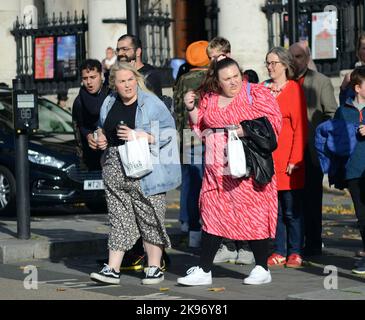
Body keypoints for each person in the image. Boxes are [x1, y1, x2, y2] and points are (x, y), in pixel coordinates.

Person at [177, 57, 282, 286]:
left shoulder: (255, 93)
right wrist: (191, 108)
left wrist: (244, 130)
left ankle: (262, 267)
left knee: (252, 213)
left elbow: (274, 124)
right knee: (212, 214)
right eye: (227, 79)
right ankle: (204, 270)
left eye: (236, 76)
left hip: (245, 167)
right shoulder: (211, 98)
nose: (233, 82)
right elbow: (200, 127)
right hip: (216, 169)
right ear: (218, 81)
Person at [89, 61, 180, 285]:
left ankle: (154, 267)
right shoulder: (109, 102)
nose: (128, 85)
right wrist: (98, 137)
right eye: (122, 81)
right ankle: (112, 269)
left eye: (131, 80)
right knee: (119, 218)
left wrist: (141, 135)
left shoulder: (151, 103)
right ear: (114, 85)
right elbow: (102, 127)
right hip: (114, 168)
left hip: (145, 170)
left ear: (137, 80)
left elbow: (170, 134)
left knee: (150, 216)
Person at [204, 37, 255, 265]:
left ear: (228, 54)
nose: (214, 62)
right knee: (222, 198)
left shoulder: (241, 81)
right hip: (216, 148)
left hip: (240, 145)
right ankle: (227, 243)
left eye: (218, 57)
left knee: (242, 198)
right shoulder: (209, 83)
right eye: (211, 58)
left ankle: (246, 245)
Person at [289, 42, 338, 257]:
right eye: (291, 57)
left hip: (310, 151)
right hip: (288, 150)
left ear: (307, 58)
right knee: (291, 200)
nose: (294, 61)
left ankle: (313, 243)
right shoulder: (285, 82)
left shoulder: (320, 82)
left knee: (311, 199)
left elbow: (332, 114)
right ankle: (293, 244)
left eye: (299, 56)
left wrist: (320, 139)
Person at [316, 66, 365, 274]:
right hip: (353, 170)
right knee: (362, 216)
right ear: (358, 88)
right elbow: (334, 140)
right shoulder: (343, 111)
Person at [263, 47, 307, 268]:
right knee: (275, 211)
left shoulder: (295, 89)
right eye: (268, 63)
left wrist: (295, 158)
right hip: (269, 159)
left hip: (289, 160)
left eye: (274, 63)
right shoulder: (265, 90)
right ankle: (279, 250)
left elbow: (300, 127)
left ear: (285, 65)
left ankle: (296, 251)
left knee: (292, 210)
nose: (270, 67)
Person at [173, 40, 210, 247]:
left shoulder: (183, 79)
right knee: (209, 182)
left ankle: (189, 224)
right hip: (208, 134)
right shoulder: (211, 78)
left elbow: (178, 112)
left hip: (188, 136)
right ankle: (206, 225)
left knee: (190, 182)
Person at [72, 59, 109, 171]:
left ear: (101, 76)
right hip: (89, 158)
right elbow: (79, 126)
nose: (89, 82)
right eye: (85, 78)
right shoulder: (79, 101)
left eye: (93, 77)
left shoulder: (111, 95)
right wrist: (88, 135)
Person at [339, 33, 365, 106]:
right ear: (358, 51)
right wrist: (343, 87)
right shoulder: (352, 76)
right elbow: (345, 106)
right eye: (364, 48)